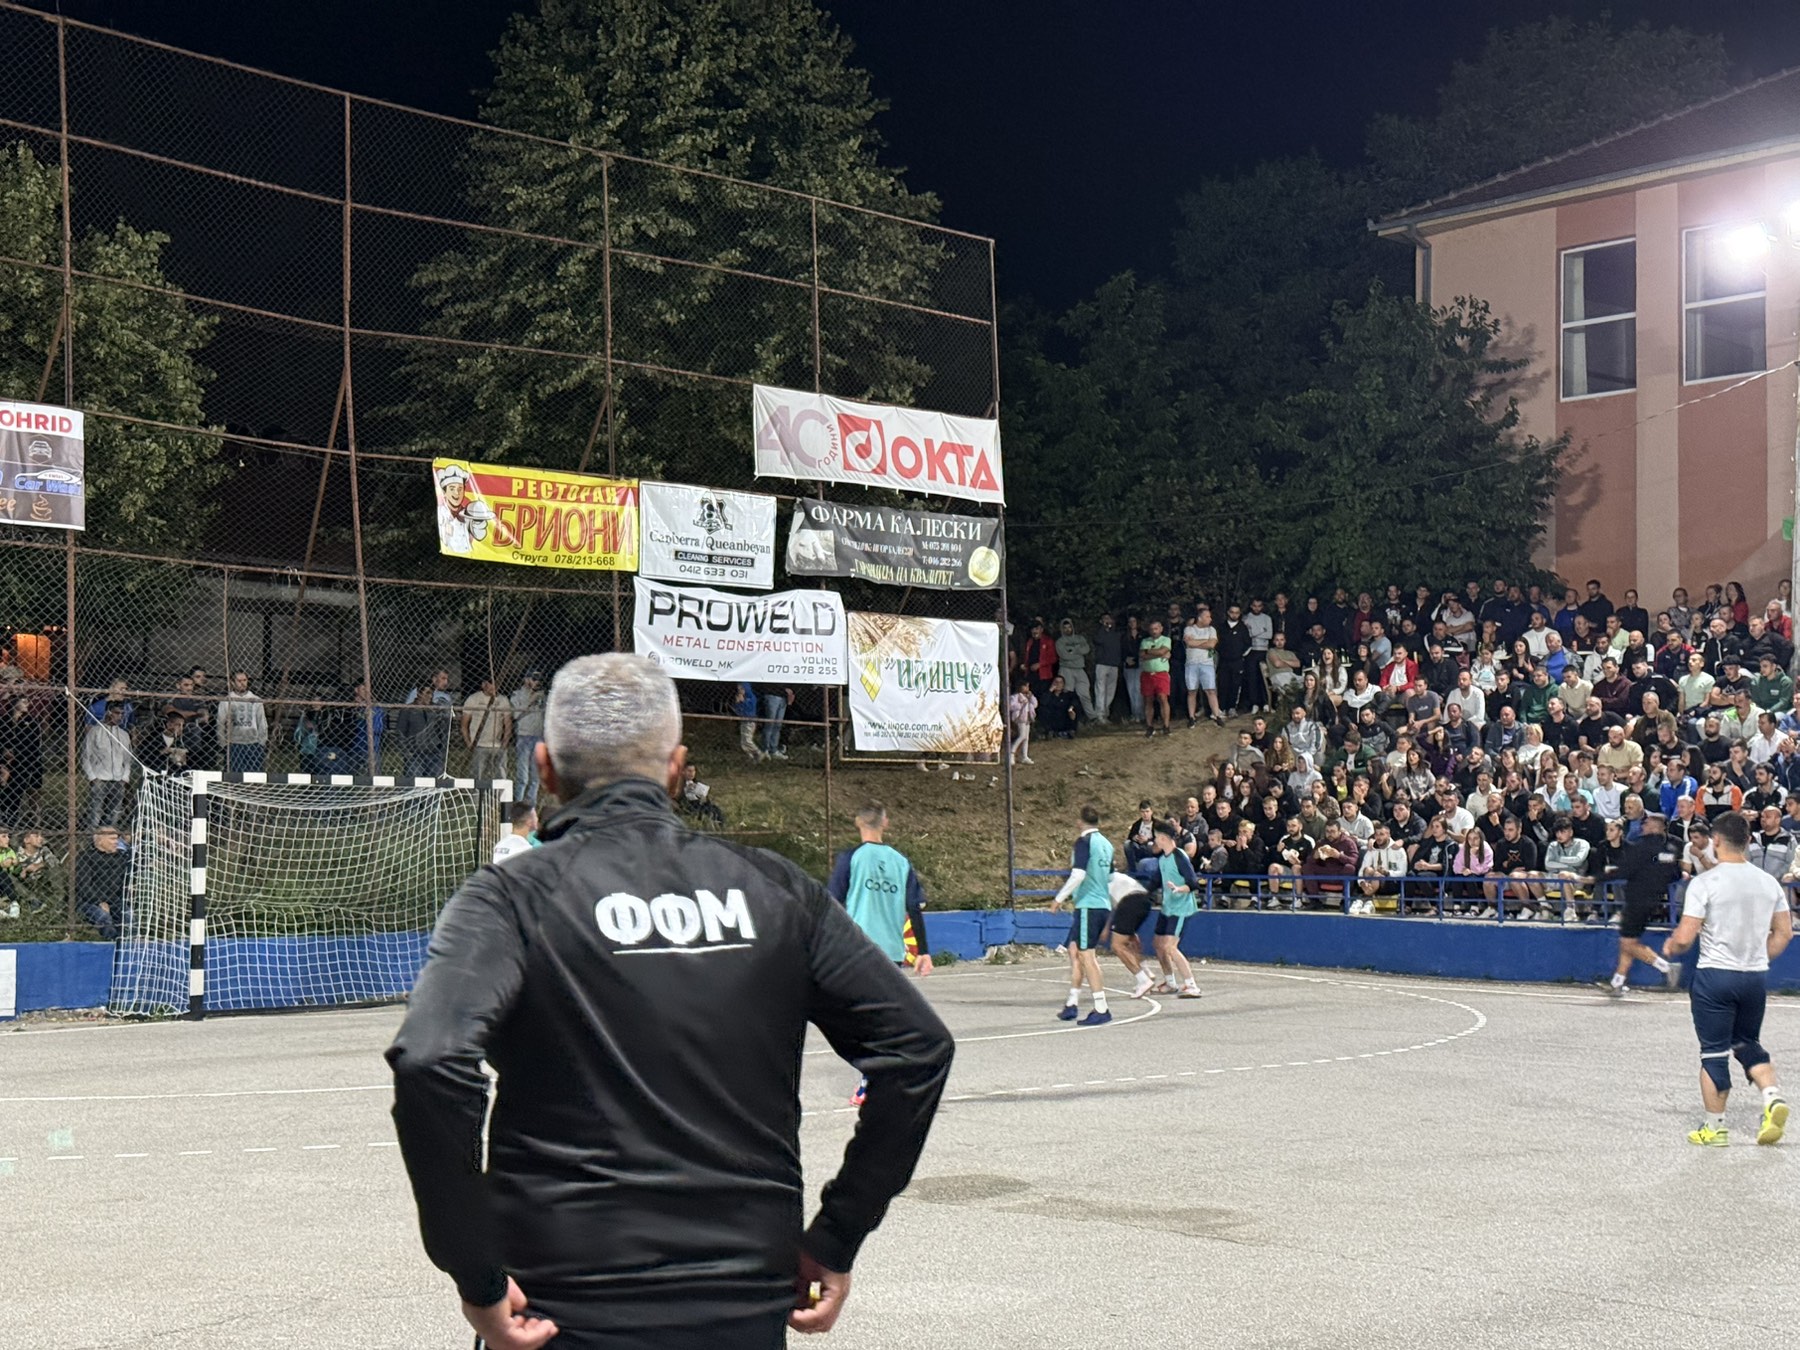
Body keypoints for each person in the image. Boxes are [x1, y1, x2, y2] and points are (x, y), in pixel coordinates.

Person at [389, 654, 952, 1348]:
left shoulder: (510, 898)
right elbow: (918, 1047)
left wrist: (475, 1272)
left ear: (545, 768)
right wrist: (838, 1234)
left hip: (560, 1311)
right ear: (679, 769)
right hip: (740, 1307)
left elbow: (431, 1059)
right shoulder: (775, 890)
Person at [1661, 811, 1791, 1147]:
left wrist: (1672, 945)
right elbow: (1784, 933)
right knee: (1747, 1042)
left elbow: (1686, 937)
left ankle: (1715, 1127)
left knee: (1714, 1052)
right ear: (1747, 841)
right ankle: (1772, 1096)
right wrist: (1759, 957)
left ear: (1715, 840)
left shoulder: (1705, 882)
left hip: (1715, 976)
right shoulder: (1768, 882)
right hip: (1754, 977)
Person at [1596, 811, 1682, 996]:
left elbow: (1625, 869)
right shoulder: (1669, 849)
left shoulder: (1642, 846)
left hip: (1637, 900)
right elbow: (1675, 873)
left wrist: (1595, 878)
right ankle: (1617, 983)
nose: (1643, 825)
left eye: (1647, 823)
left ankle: (1666, 967)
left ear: (1656, 827)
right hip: (1653, 900)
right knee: (1629, 940)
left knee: (1628, 944)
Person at [1049, 803, 1116, 1024]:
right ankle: (1072, 1002)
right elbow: (1110, 877)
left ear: (1080, 822)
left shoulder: (1084, 842)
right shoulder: (1107, 844)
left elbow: (1078, 874)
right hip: (1101, 903)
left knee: (1087, 956)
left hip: (1089, 904)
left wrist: (1059, 899)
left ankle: (1101, 1007)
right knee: (1075, 950)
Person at [1147, 819, 1202, 997]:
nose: (1154, 841)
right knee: (1158, 944)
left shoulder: (1179, 856)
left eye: (1156, 837)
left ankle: (1191, 985)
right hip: (1167, 907)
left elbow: (1193, 883)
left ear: (1163, 838)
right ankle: (1170, 982)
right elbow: (1155, 881)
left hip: (1180, 908)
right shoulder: (1163, 859)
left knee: (1170, 947)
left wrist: (1179, 889)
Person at [81, 701, 133, 828]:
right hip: (100, 777)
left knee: (115, 811)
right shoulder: (95, 732)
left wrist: (125, 777)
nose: (120, 716)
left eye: (122, 714)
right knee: (96, 811)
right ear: (108, 713)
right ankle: (93, 835)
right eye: (117, 713)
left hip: (118, 779)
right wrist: (92, 776)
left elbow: (128, 759)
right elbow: (86, 756)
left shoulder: (124, 735)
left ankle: (110, 834)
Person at [462, 676, 514, 783]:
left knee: (500, 777)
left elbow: (508, 724)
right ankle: (477, 794)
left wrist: (504, 744)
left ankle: (499, 794)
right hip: (479, 745)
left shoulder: (503, 700)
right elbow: (464, 724)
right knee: (478, 777)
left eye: (495, 683)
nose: (493, 686)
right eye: (490, 683)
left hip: (497, 745)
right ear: (483, 685)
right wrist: (469, 743)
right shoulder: (473, 699)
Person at [219, 671, 269, 774]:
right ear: (232, 682)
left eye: (244, 680)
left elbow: (262, 722)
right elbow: (220, 723)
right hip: (234, 743)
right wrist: (223, 743)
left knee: (255, 774)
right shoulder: (226, 700)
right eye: (239, 681)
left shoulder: (256, 699)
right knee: (235, 774)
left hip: (253, 743)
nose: (242, 683)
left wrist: (262, 742)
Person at [510, 669, 547, 804]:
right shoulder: (517, 695)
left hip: (539, 737)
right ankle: (518, 802)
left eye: (538, 679)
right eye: (533, 679)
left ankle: (531, 803)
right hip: (524, 736)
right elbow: (516, 715)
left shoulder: (542, 696)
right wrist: (532, 700)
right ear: (526, 680)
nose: (536, 682)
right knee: (523, 776)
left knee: (535, 775)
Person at [1054, 618, 1095, 722]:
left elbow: (1086, 649)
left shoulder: (1080, 638)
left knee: (1085, 694)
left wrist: (1073, 651)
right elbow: (1064, 655)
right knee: (1067, 694)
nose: (1067, 629)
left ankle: (1092, 717)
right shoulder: (1060, 641)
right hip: (1066, 669)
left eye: (1069, 627)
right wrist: (1078, 653)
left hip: (1080, 669)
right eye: (1065, 628)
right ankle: (1067, 718)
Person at [1140, 618, 1174, 737]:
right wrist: (1158, 653)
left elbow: (1162, 651)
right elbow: (1142, 655)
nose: (1154, 631)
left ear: (1161, 629)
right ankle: (1149, 726)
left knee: (1163, 698)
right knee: (1148, 700)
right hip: (1147, 674)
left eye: (1156, 628)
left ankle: (1166, 725)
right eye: (1152, 629)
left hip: (1161, 674)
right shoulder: (1145, 641)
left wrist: (1148, 651)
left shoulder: (1166, 640)